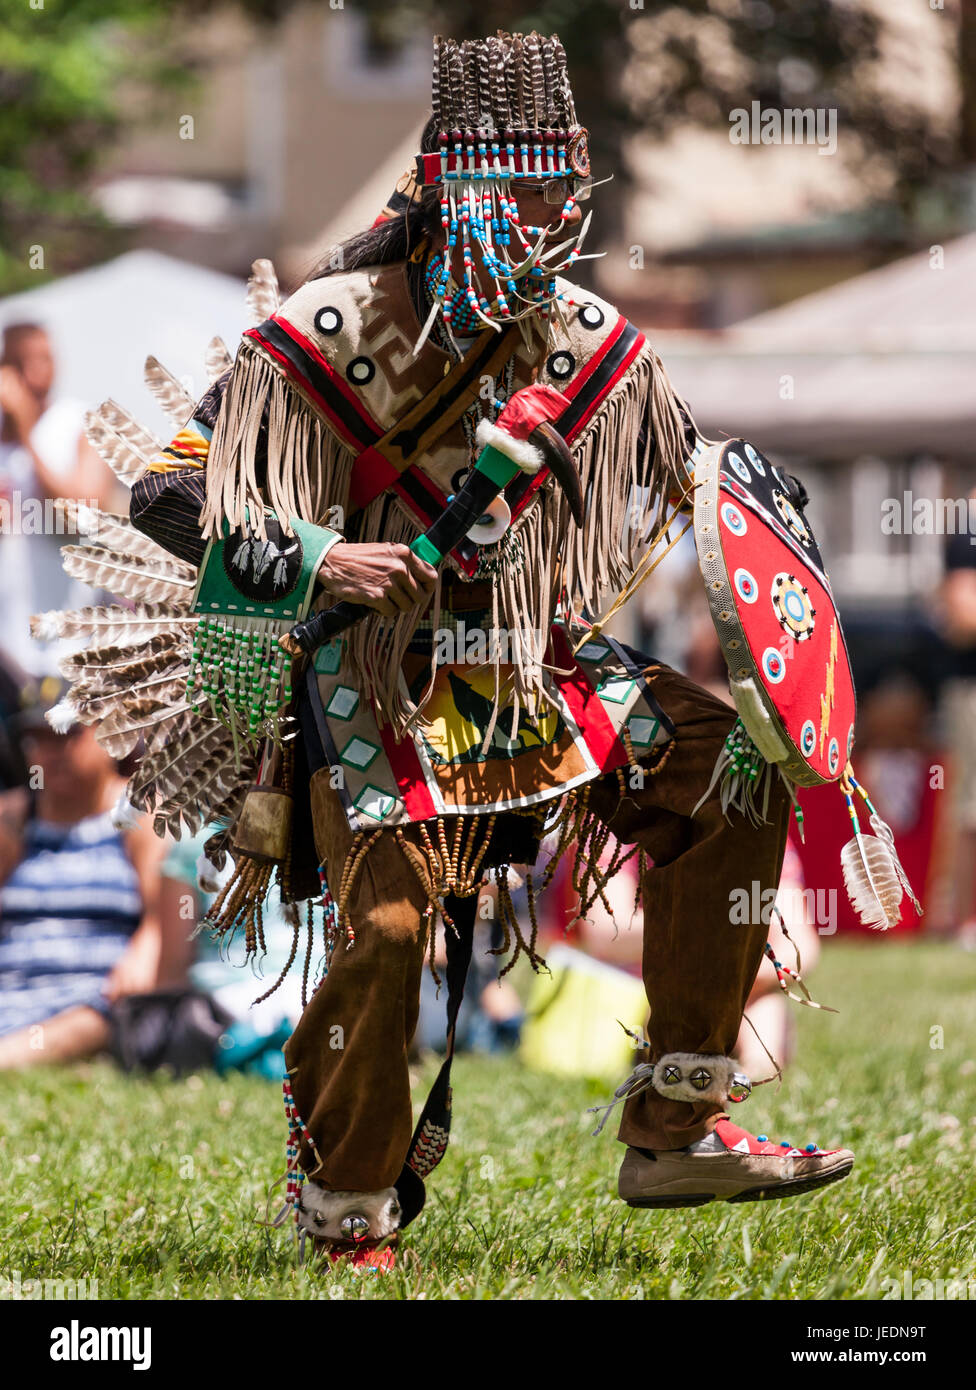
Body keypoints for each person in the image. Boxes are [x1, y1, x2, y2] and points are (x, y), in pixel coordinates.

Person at [46, 30, 854, 1264]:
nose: (547, 222)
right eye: (521, 193)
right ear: (452, 190)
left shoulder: (584, 338)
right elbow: (163, 492)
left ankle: (678, 1116)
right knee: (381, 934)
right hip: (368, 675)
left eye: (559, 194)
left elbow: (688, 477)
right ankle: (346, 1207)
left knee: (724, 772)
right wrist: (322, 558)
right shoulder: (326, 331)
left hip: (533, 672)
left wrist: (756, 535)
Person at [0, 682, 172, 1067]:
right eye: (38, 739)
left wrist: (145, 951)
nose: (52, 752)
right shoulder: (12, 818)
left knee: (94, 1017)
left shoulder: (141, 812)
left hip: (95, 1005)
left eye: (67, 734)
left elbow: (163, 919)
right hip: (10, 994)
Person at [0, 322, 116, 676]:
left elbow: (80, 514)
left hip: (64, 649)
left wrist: (26, 432)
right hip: (8, 652)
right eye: (23, 363)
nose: (37, 373)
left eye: (46, 359)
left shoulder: (78, 424)